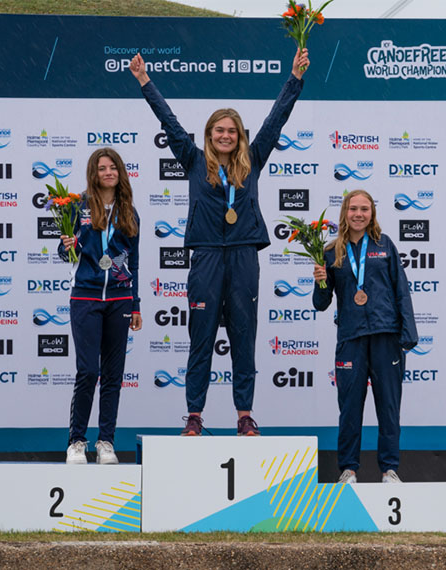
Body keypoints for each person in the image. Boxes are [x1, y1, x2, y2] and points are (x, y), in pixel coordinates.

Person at [129, 48, 310, 437]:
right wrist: (145, 82)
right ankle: (194, 415)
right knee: (201, 339)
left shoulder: (253, 159)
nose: (226, 136)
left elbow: (276, 120)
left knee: (244, 338)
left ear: (240, 136)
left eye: (232, 131)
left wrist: (294, 79)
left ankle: (244, 416)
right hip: (206, 257)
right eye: (219, 130)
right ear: (209, 135)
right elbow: (169, 121)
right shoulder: (193, 160)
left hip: (244, 255)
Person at [312, 189, 418, 483]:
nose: (358, 214)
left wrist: (408, 332)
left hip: (386, 335)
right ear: (344, 213)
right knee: (349, 407)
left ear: (372, 214)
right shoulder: (332, 251)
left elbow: (401, 290)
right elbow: (321, 304)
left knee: (388, 406)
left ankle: (390, 470)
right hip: (351, 337)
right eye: (353, 209)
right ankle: (348, 469)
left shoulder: (385, 245)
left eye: (364, 209)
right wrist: (320, 282)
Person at [60, 147, 142, 464]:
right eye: (102, 168)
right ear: (93, 174)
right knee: (88, 371)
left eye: (113, 168)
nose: (108, 173)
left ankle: (106, 442)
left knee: (112, 374)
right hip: (86, 296)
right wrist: (67, 245)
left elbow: (134, 261)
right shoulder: (78, 207)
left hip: (120, 299)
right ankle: (76, 441)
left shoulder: (129, 212)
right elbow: (64, 252)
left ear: (120, 172)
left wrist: (136, 304)